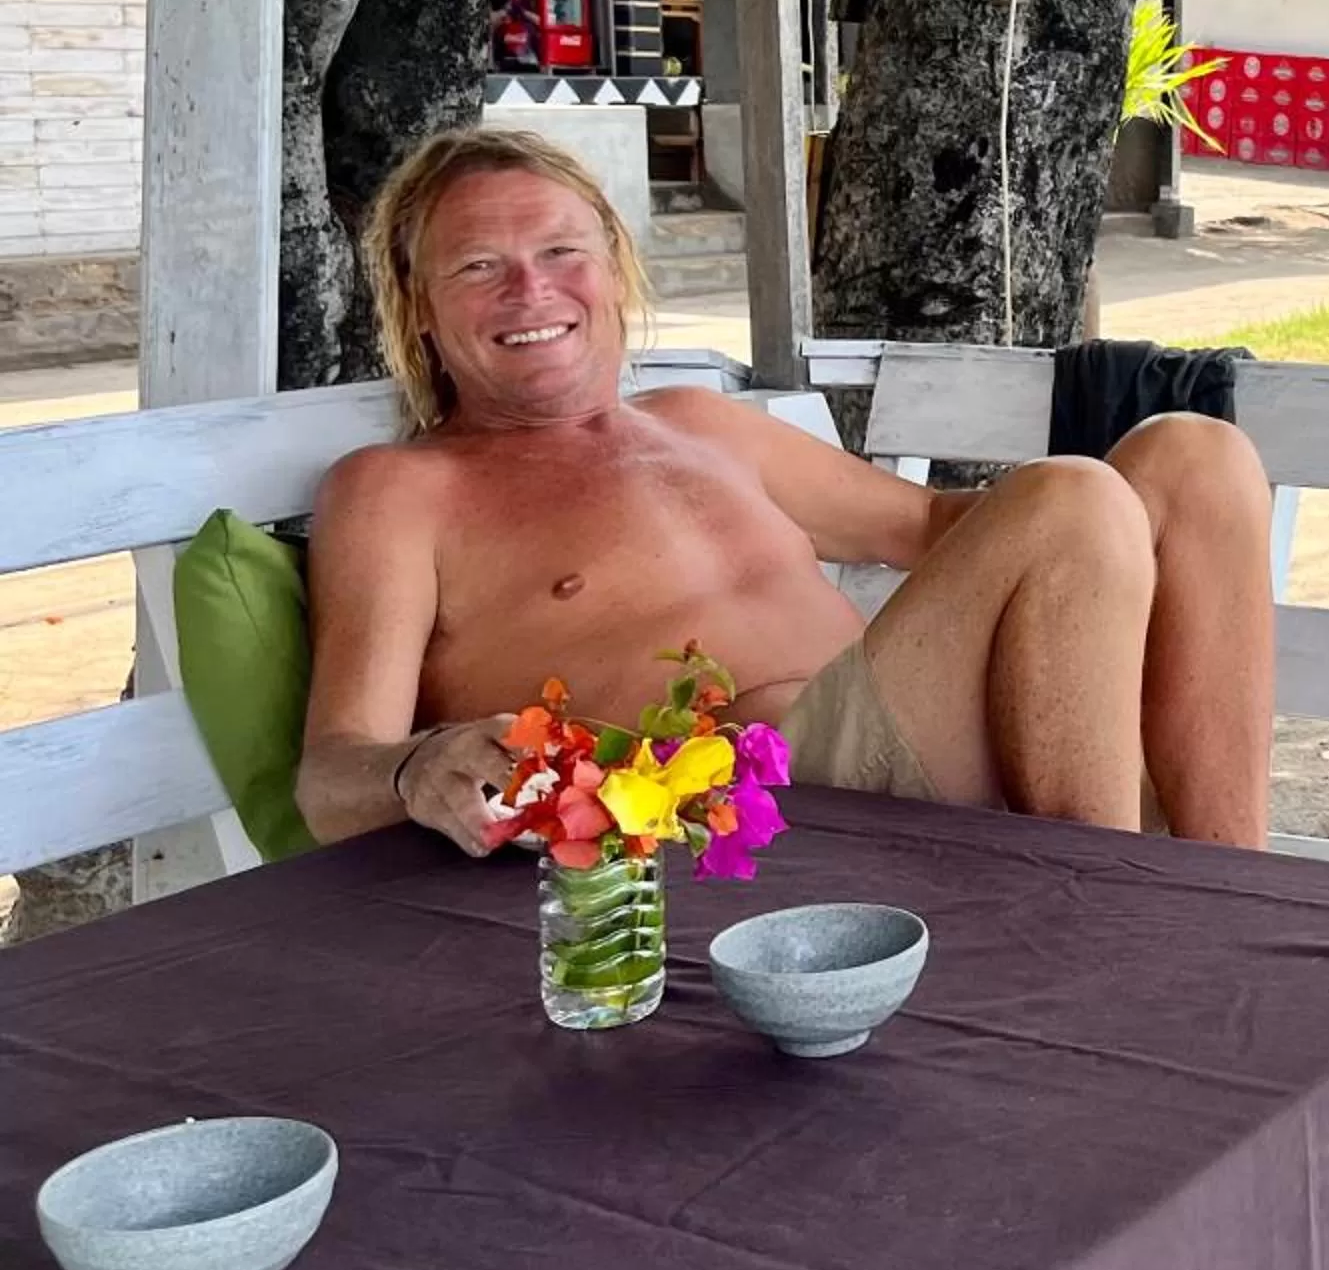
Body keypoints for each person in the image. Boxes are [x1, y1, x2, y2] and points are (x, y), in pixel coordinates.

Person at [294, 128, 1277, 859]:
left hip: (918, 743)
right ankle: (1112, 917)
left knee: (1197, 455)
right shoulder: (400, 491)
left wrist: (1129, 523)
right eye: (477, 268)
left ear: (611, 267)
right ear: (418, 308)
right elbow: (332, 775)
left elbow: (937, 528)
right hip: (761, 806)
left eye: (561, 253)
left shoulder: (698, 422)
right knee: (1071, 496)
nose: (531, 292)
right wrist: (416, 769)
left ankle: (1236, 893)